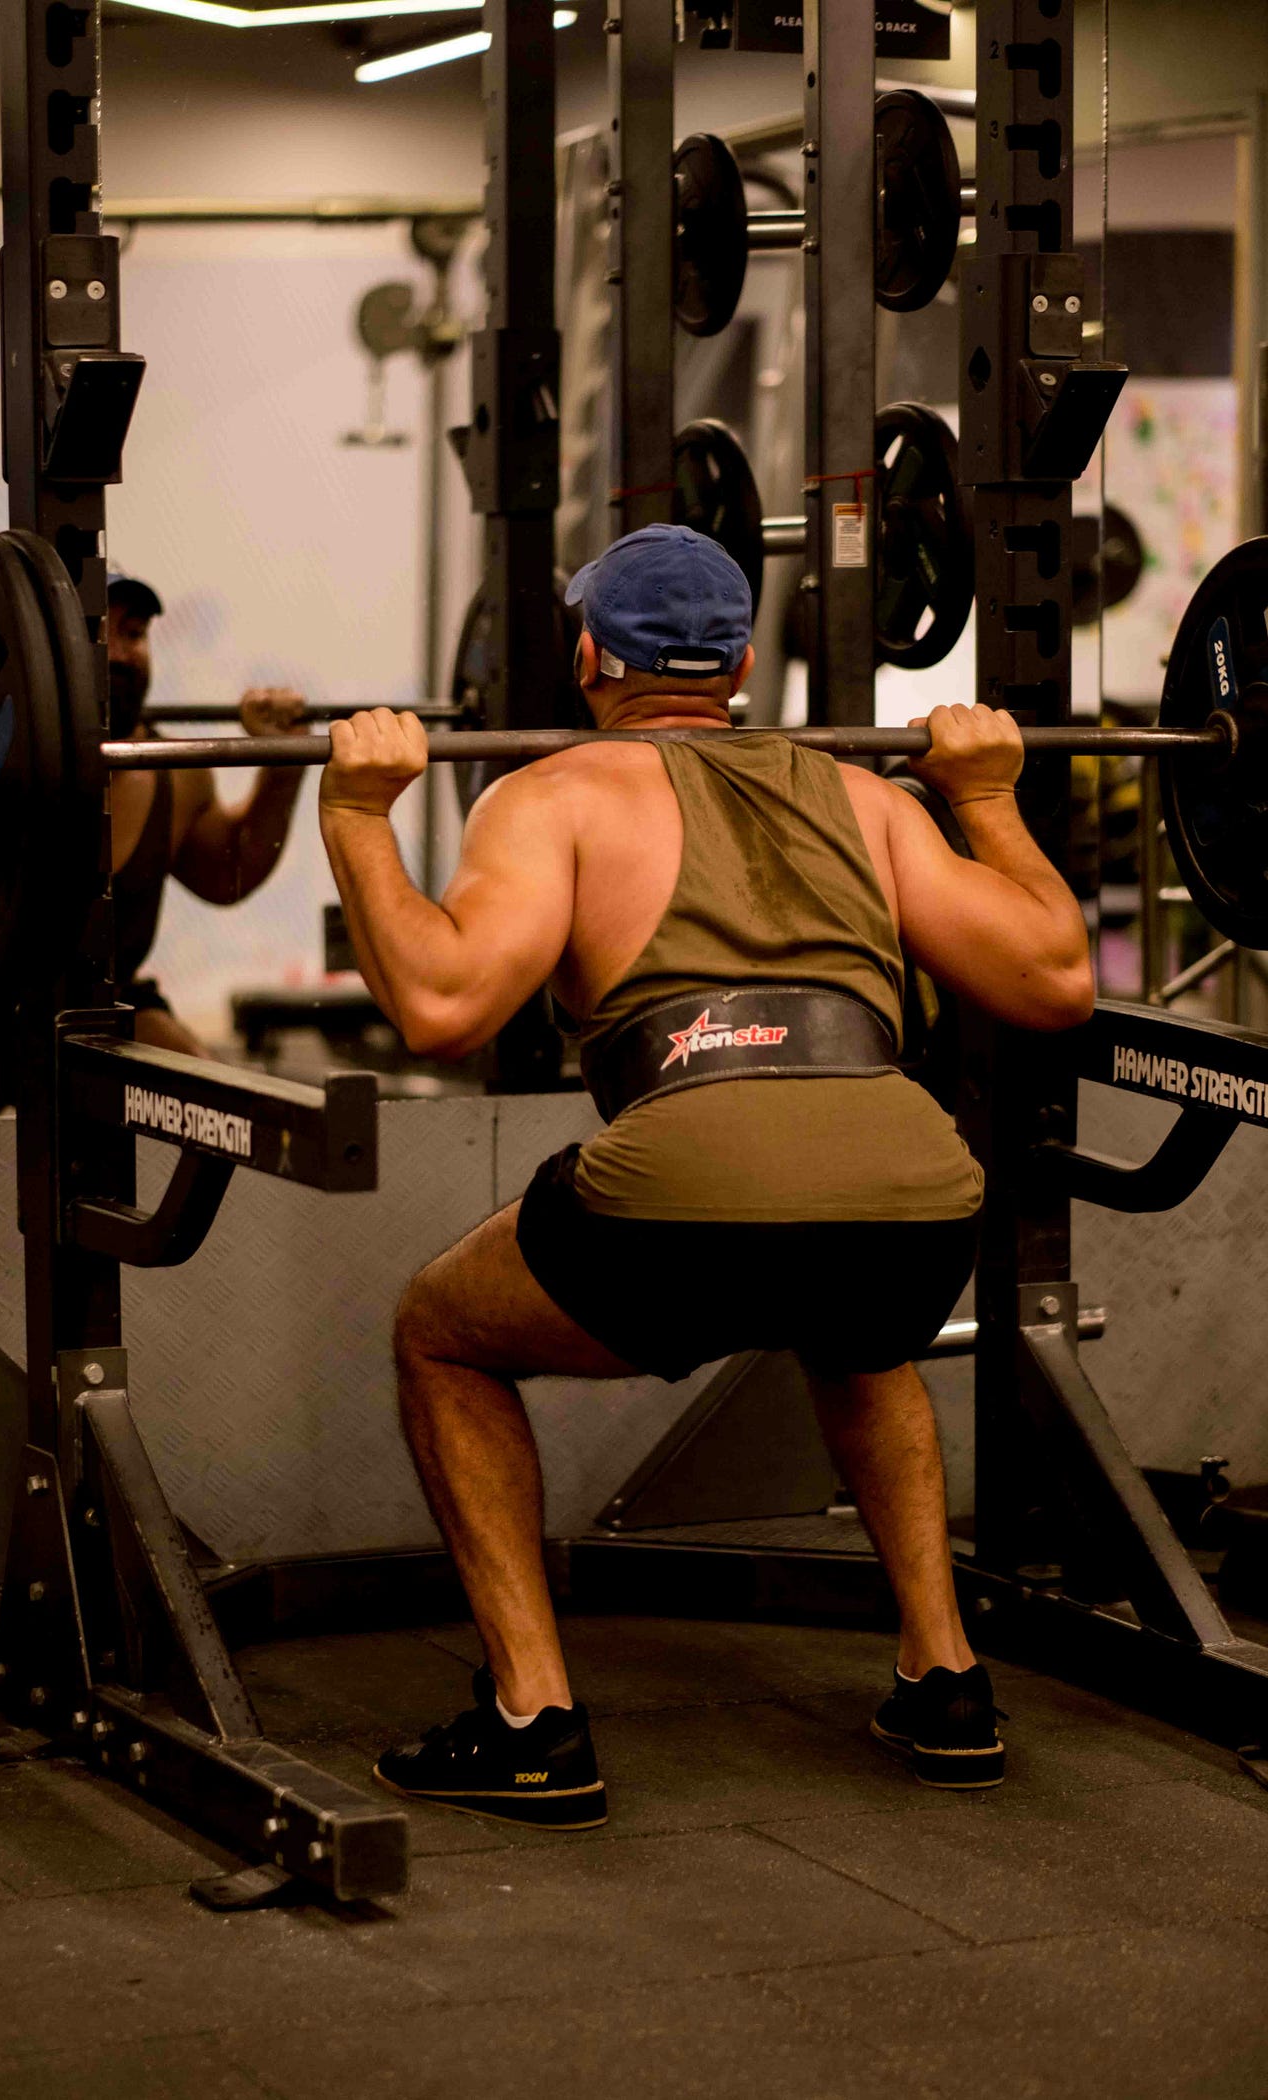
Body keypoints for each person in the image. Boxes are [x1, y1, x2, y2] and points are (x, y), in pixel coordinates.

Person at [317, 524, 1095, 1831]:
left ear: (586, 657)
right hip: (913, 1199)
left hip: (677, 1200)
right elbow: (1056, 978)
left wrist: (354, 816)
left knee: (440, 1334)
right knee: (857, 1334)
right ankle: (946, 1680)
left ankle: (532, 1720)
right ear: (738, 665)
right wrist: (986, 796)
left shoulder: (552, 795)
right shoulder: (872, 800)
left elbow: (443, 1006)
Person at [0, 572, 309, 1108]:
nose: (120, 654)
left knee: (228, 1112)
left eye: (133, 633)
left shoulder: (177, 775)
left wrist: (284, 766)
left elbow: (228, 875)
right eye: (97, 633)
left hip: (113, 1003)